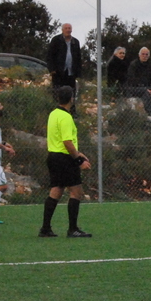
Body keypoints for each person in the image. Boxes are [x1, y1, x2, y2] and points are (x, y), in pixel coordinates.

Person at [40, 86, 92, 238]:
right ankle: (73, 229)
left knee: (56, 191)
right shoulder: (66, 117)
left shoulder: (53, 114)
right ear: (71, 99)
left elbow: (59, 140)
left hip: (53, 157)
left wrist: (78, 152)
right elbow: (67, 142)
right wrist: (79, 160)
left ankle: (45, 228)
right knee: (76, 192)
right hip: (64, 159)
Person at [46, 23, 83, 97]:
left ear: (71, 30)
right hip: (58, 73)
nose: (68, 30)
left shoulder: (75, 42)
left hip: (71, 73)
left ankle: (71, 104)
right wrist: (52, 69)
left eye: (69, 28)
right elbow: (50, 55)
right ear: (62, 30)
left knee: (71, 93)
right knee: (57, 93)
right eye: (66, 28)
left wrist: (78, 73)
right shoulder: (56, 40)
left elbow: (78, 58)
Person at [126, 47, 151, 118]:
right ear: (139, 55)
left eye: (146, 54)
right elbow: (132, 79)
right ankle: (150, 112)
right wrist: (144, 88)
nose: (144, 56)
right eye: (143, 54)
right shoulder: (133, 65)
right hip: (134, 88)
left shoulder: (149, 66)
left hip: (147, 87)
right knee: (145, 92)